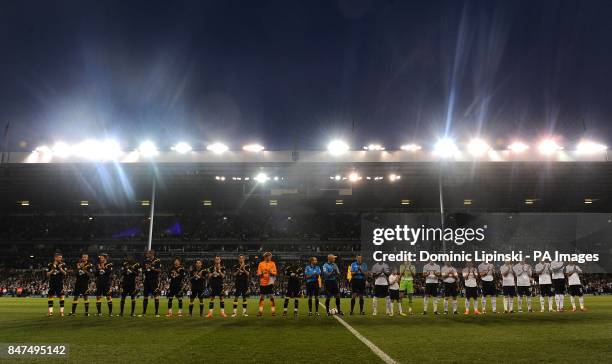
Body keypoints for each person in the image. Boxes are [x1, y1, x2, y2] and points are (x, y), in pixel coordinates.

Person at [141, 250, 162, 317]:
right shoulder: (145, 261)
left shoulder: (157, 261)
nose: (146, 254)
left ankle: (156, 313)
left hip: (154, 281)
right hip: (147, 281)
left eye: (148, 253)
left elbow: (159, 270)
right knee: (145, 296)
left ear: (152, 254)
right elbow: (142, 270)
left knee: (156, 296)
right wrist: (146, 269)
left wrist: (151, 268)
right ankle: (144, 313)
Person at [257, 252, 277, 316]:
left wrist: (271, 272)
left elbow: (275, 273)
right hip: (262, 282)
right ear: (265, 257)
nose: (269, 257)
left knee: (271, 296)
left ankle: (273, 312)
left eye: (270, 256)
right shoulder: (261, 264)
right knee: (262, 297)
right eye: (267, 256)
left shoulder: (273, 263)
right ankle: (260, 312)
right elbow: (259, 274)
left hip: (270, 282)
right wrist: (262, 273)